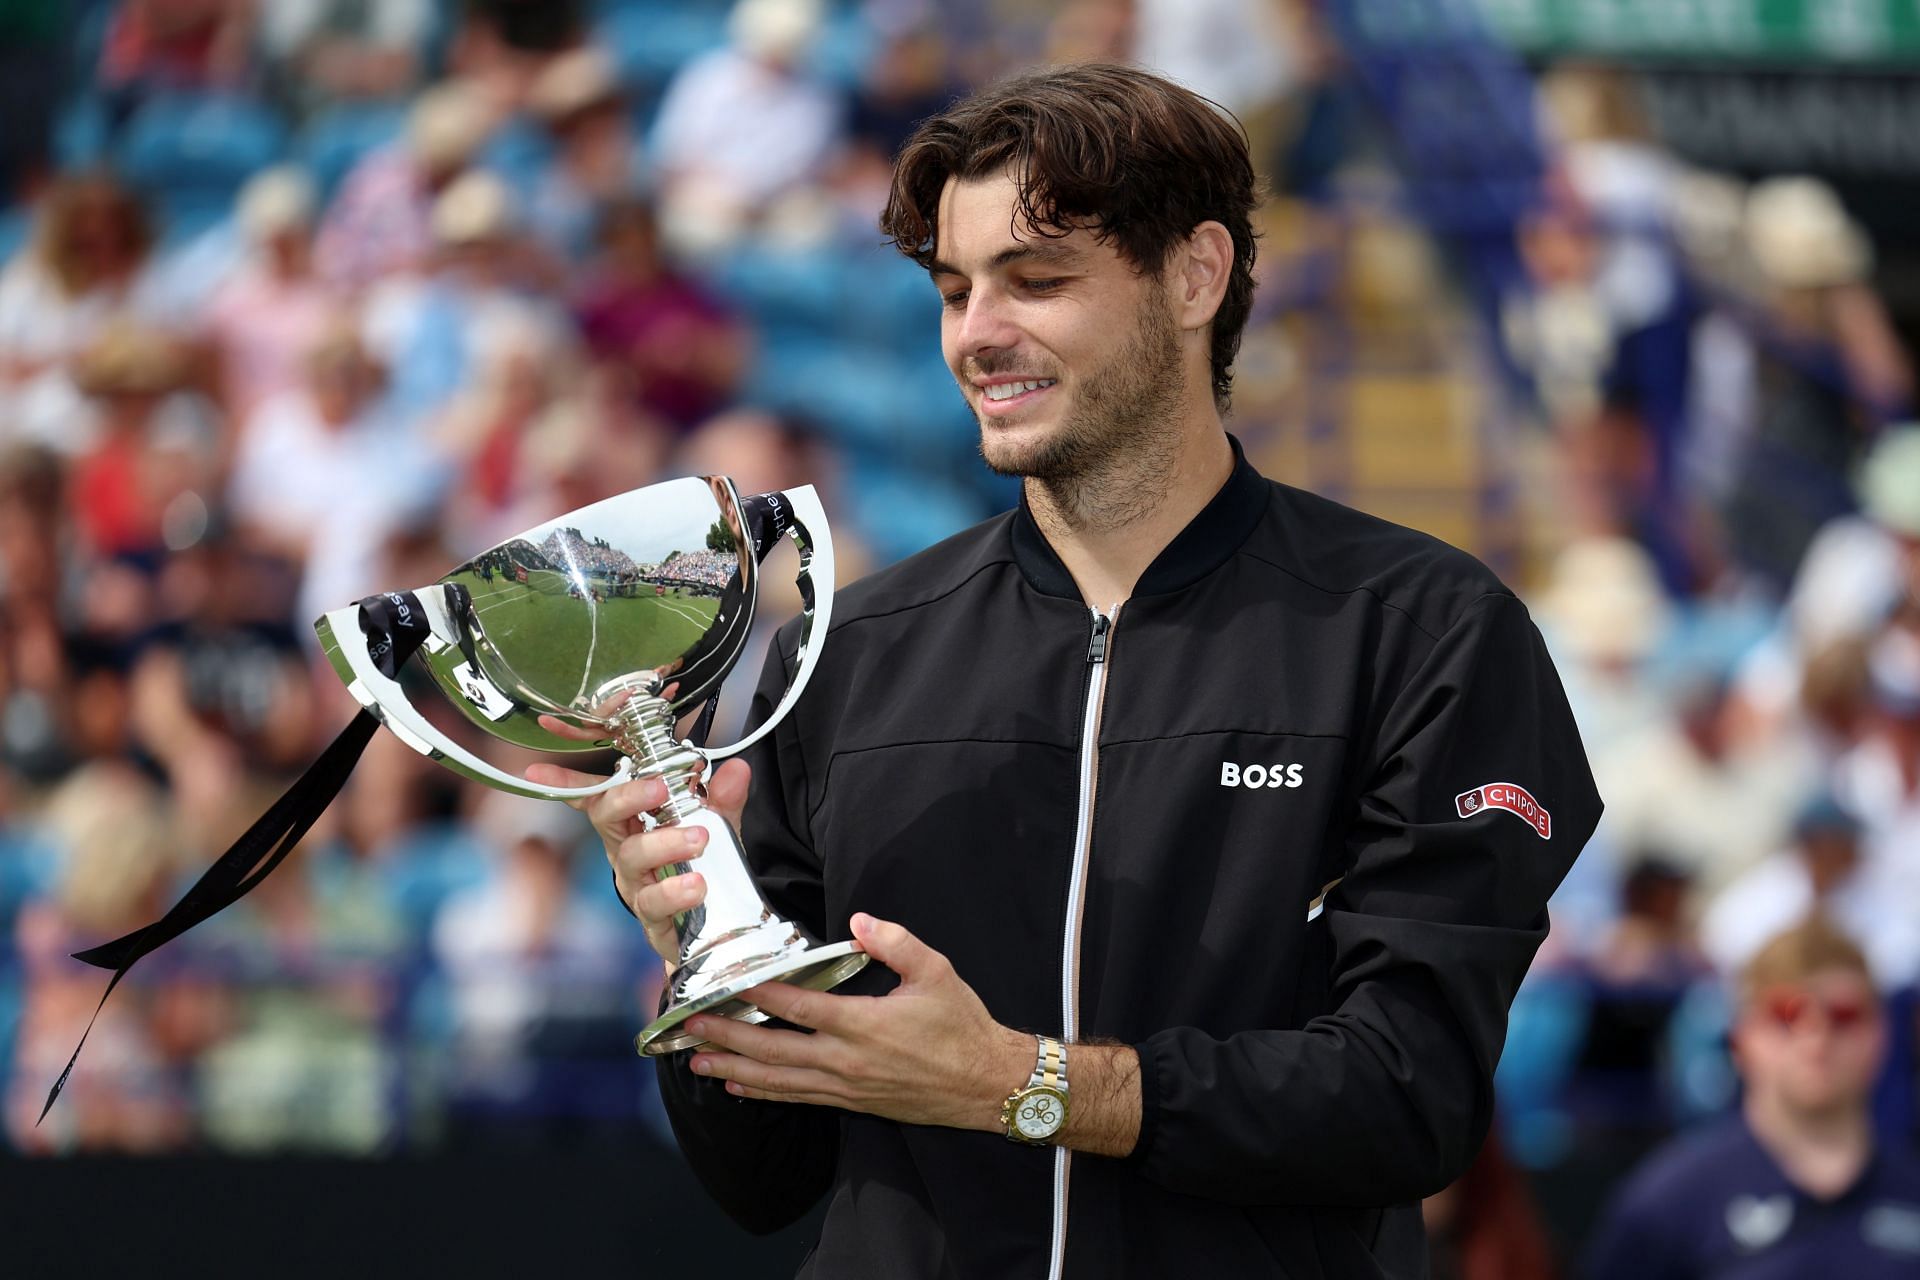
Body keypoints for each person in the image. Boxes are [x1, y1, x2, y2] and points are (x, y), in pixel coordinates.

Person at [533, 64, 1602, 1276]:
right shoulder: (847, 654)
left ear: (1195, 275)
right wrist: (699, 938)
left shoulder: (1423, 628)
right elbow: (761, 1174)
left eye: (1038, 280)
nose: (979, 333)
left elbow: (1407, 1095)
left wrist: (1023, 1084)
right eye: (954, 289)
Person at [1585, 918, 1920, 1277]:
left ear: (1882, 1033)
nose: (1816, 1040)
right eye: (1786, 1015)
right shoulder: (1668, 1205)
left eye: (1843, 1016)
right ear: (1741, 1037)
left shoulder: (1911, 1192)